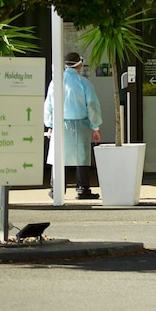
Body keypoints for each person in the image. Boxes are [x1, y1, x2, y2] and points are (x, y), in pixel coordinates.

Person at [44, 52, 103, 200]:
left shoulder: (55, 82)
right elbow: (92, 105)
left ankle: (56, 189)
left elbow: (49, 105)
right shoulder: (84, 83)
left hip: (59, 123)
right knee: (81, 158)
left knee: (58, 156)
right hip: (80, 123)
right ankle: (82, 189)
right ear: (79, 64)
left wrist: (49, 124)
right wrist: (95, 127)